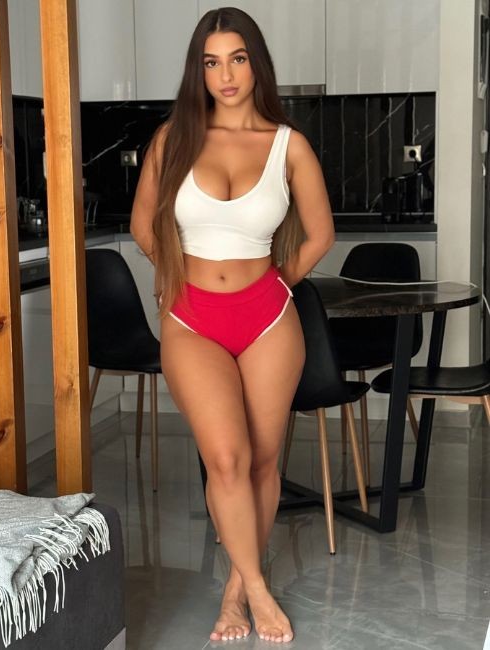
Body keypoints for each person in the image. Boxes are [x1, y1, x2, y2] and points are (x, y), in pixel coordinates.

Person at [130, 6, 334, 644]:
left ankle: (235, 592)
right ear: (199, 70)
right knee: (225, 457)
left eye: (237, 59)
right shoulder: (173, 139)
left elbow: (321, 233)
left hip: (267, 317)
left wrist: (278, 285)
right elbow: (142, 223)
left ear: (256, 65)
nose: (225, 75)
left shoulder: (287, 145)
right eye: (211, 62)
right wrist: (174, 277)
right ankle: (261, 589)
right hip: (193, 317)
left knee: (264, 462)